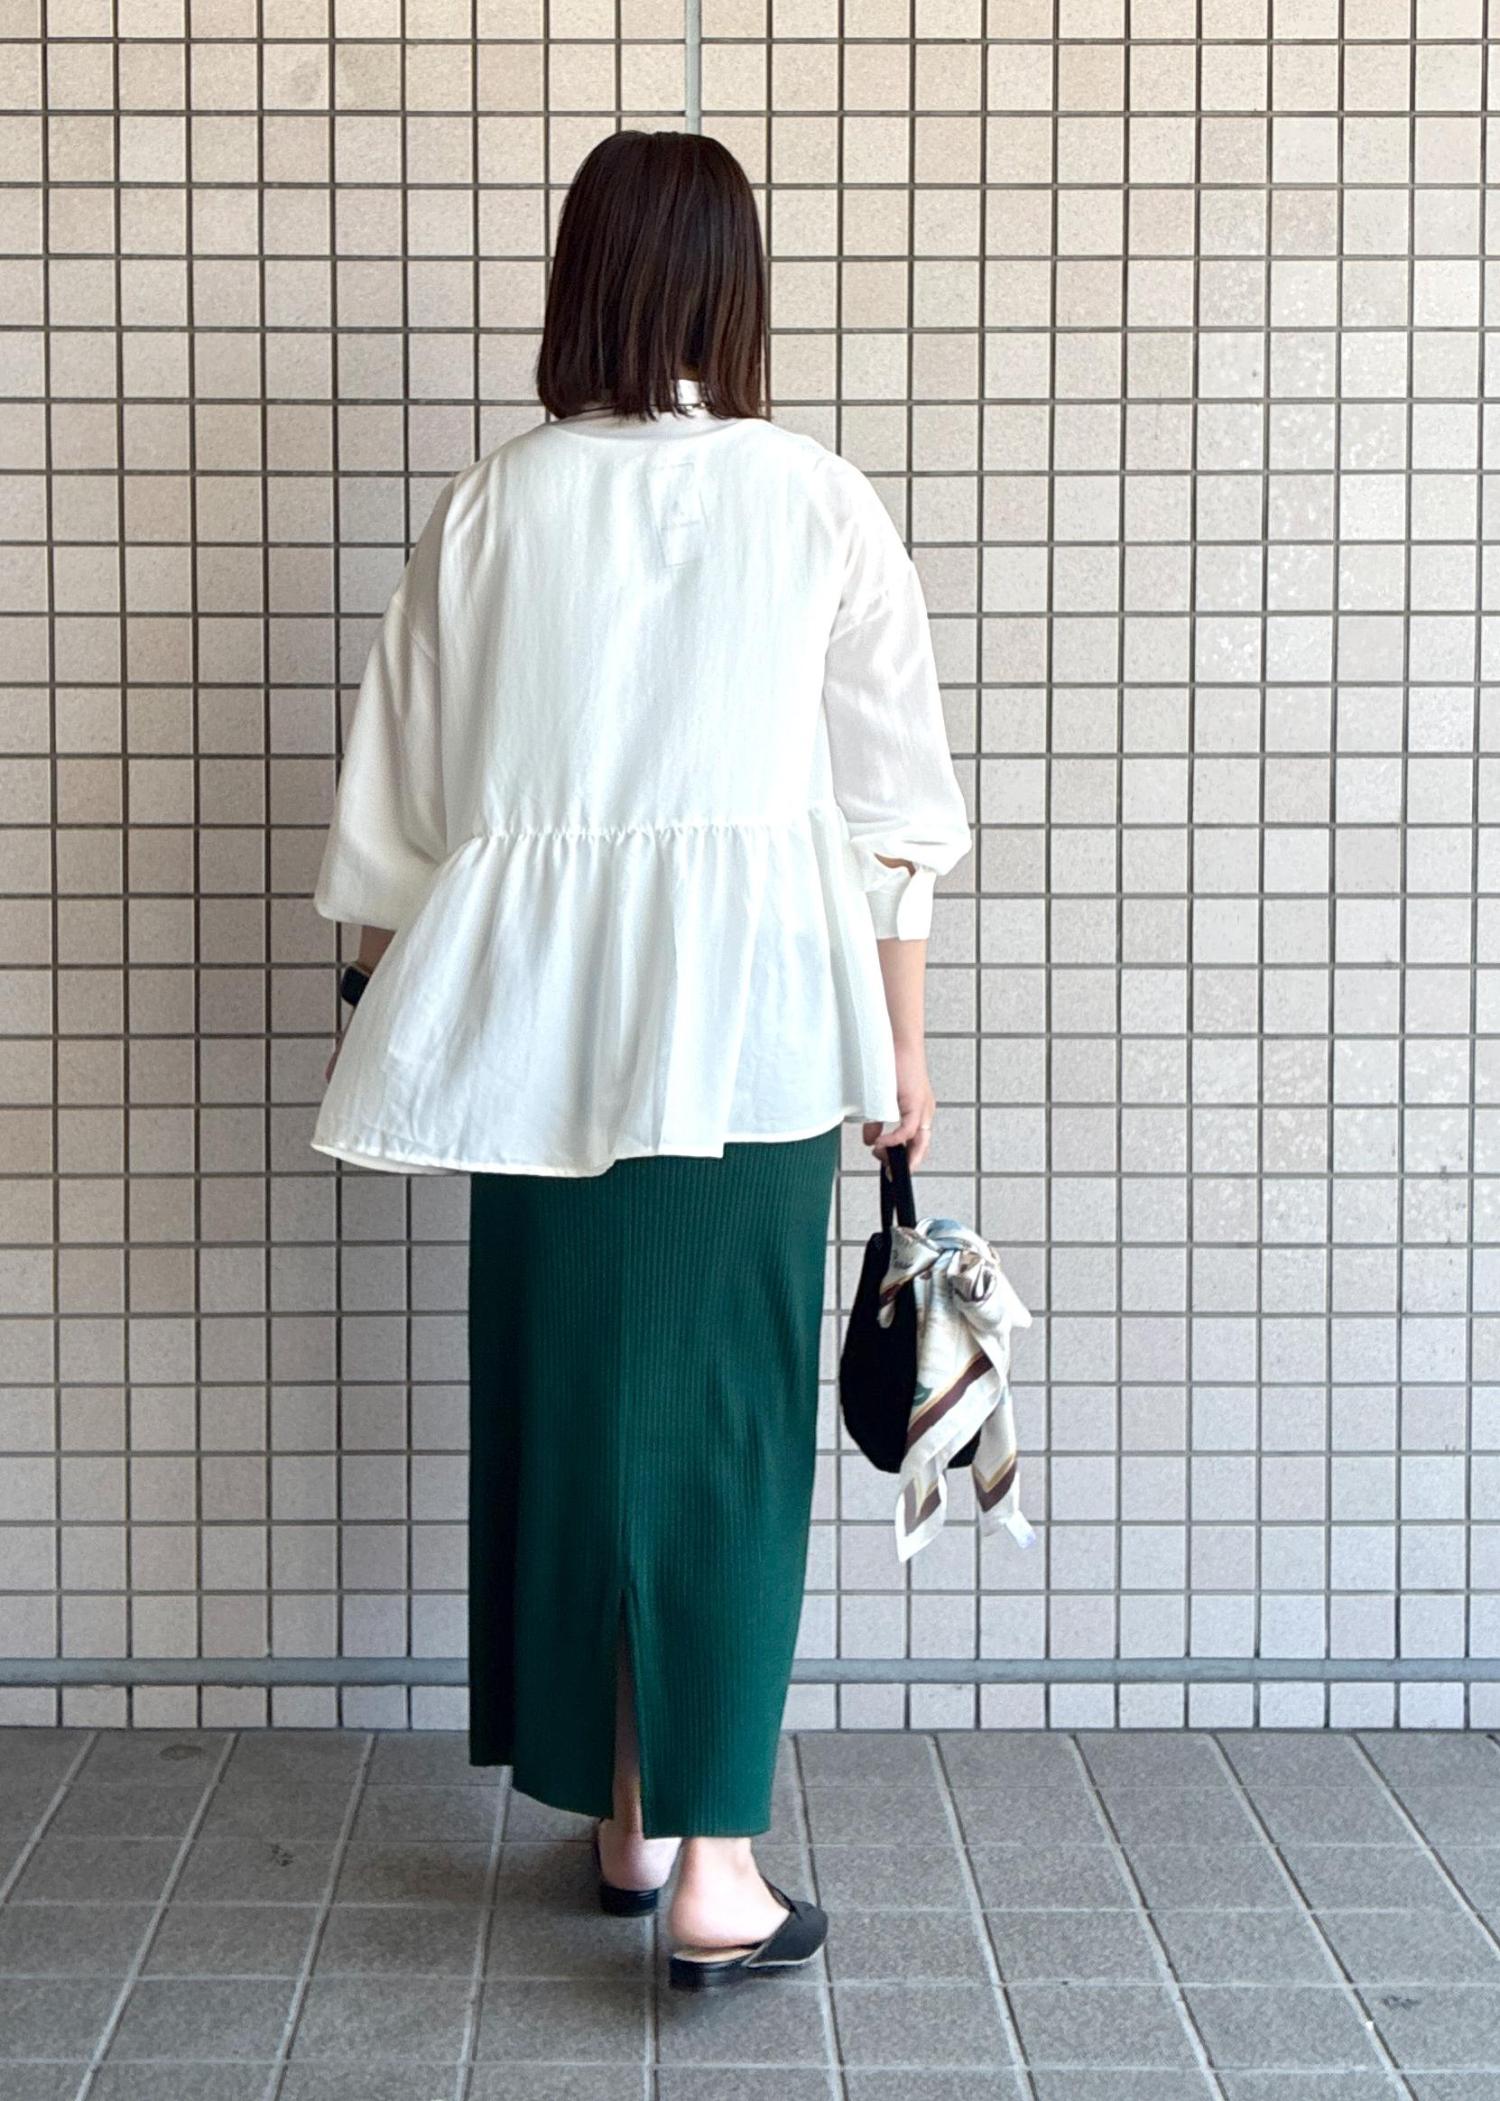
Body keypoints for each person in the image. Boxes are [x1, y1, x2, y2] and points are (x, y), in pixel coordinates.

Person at [310, 128, 971, 1990]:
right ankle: (717, 1866)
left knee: (574, 1410)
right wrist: (902, 1049)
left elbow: (396, 825)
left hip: (528, 1033)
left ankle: (627, 1818)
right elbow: (890, 817)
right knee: (729, 1428)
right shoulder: (815, 500)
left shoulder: (490, 508)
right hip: (759, 1025)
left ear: (579, 280)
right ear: (734, 290)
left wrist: (386, 1011)